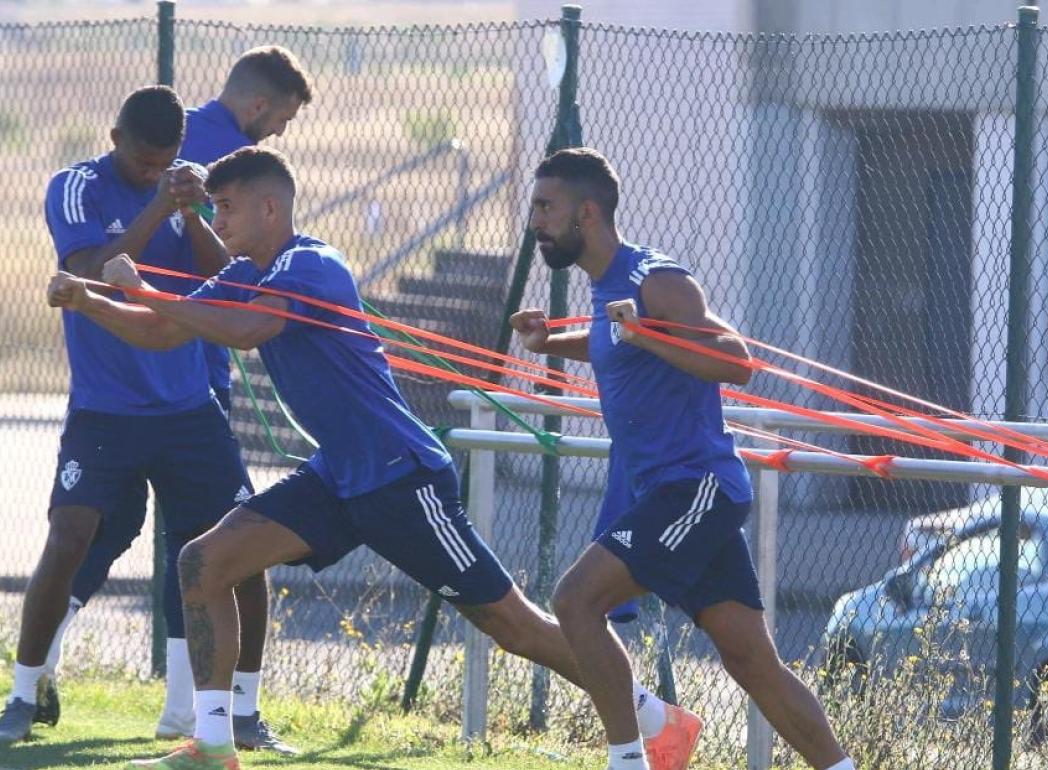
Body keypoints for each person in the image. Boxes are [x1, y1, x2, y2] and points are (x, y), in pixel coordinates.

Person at [45, 146, 698, 770]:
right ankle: (212, 744)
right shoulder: (248, 270)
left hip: (399, 475)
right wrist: (89, 301)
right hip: (339, 474)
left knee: (513, 627)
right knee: (203, 563)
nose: (217, 223)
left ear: (269, 209)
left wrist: (145, 290)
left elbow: (245, 333)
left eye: (226, 209)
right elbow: (164, 332)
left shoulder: (312, 263)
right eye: (213, 209)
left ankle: (651, 718)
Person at [511, 147, 856, 770]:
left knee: (576, 601)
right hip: (666, 492)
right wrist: (549, 342)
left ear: (586, 212)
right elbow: (618, 341)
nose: (534, 220)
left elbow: (736, 362)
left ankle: (628, 759)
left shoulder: (656, 280)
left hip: (695, 488)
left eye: (545, 206)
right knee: (753, 661)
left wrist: (643, 332)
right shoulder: (606, 288)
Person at [39, 46, 315, 752]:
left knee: (197, 544)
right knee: (119, 534)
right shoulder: (175, 156)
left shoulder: (189, 147)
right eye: (281, 116)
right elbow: (110, 280)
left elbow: (221, 278)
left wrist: (188, 221)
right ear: (258, 105)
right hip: (156, 381)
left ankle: (192, 710)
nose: (280, 131)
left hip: (189, 378)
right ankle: (44, 672)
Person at [0, 86, 266, 747]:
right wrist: (155, 207)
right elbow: (88, 270)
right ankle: (24, 694)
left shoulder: (189, 194)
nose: (151, 171)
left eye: (162, 161)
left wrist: (192, 213)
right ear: (115, 139)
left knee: (239, 551)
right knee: (68, 537)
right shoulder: (76, 186)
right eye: (142, 162)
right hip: (105, 410)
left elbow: (232, 283)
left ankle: (241, 714)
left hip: (190, 407)